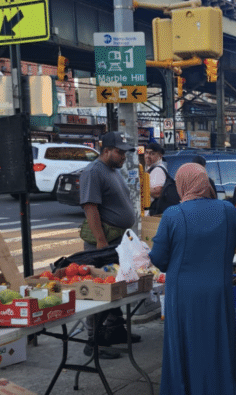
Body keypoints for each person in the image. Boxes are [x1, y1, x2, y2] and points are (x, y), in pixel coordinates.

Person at [149, 163, 236, 395]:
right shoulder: (227, 210)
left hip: (183, 295)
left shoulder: (172, 214)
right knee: (217, 345)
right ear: (205, 183)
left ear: (182, 185)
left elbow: (158, 257)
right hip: (218, 292)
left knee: (183, 347)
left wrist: (174, 264)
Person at [79, 131, 140, 359]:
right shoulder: (94, 172)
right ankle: (92, 341)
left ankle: (115, 330)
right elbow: (90, 208)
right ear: (106, 151)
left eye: (125, 152)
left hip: (117, 240)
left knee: (117, 285)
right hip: (104, 241)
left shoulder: (113, 170)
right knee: (101, 290)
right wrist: (101, 243)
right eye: (119, 152)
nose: (124, 156)